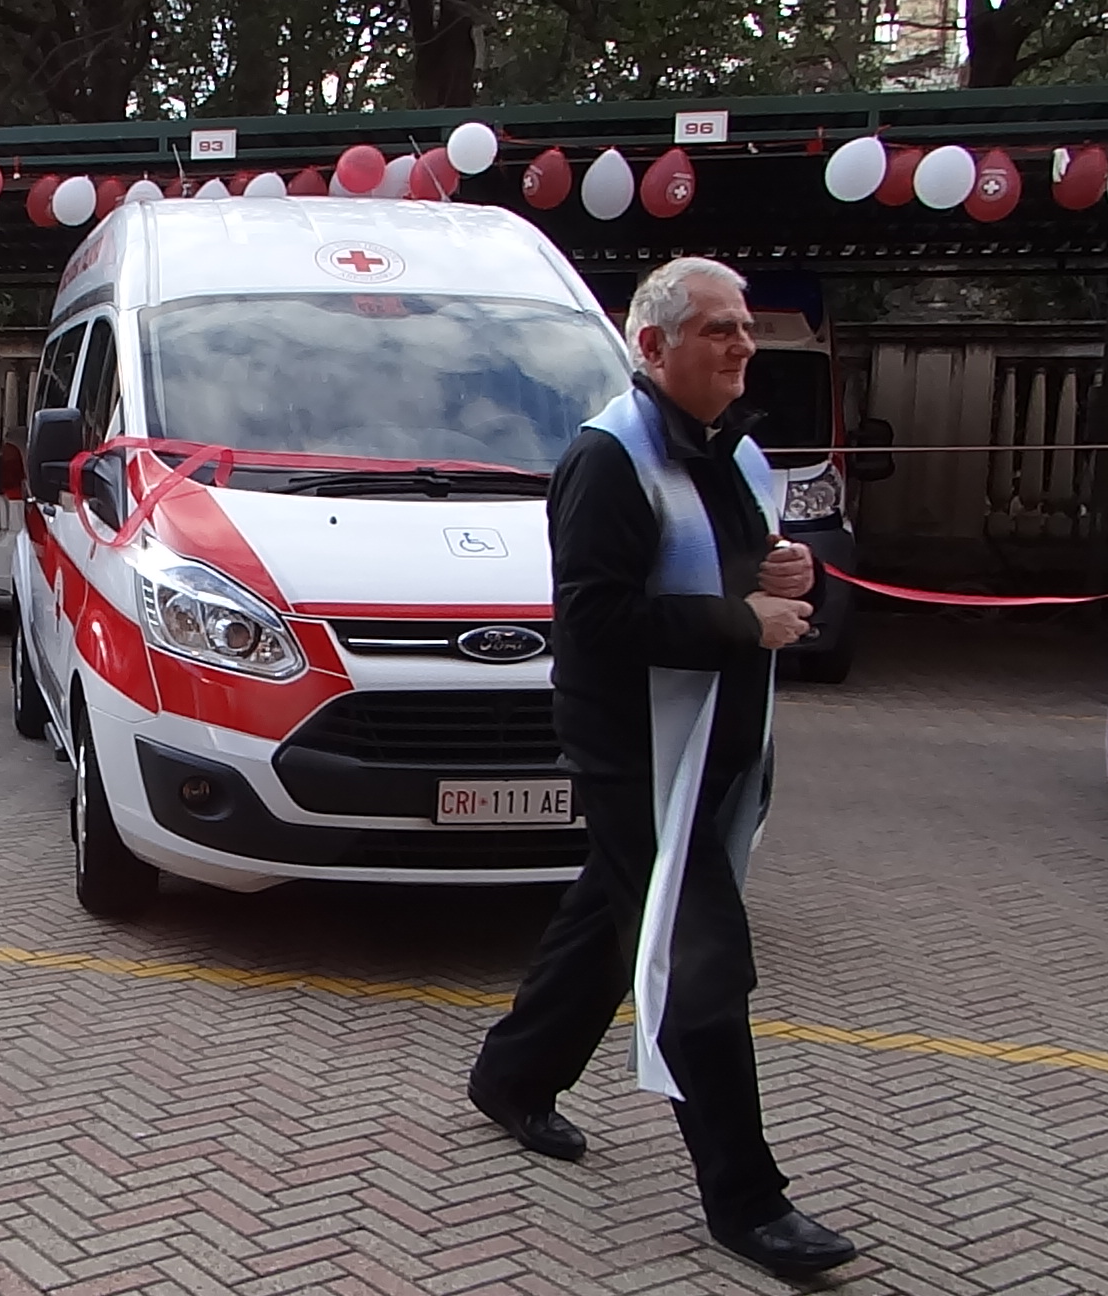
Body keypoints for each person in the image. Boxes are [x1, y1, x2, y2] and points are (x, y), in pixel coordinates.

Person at [465, 258, 856, 1279]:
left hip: (713, 738)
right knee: (701, 958)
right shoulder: (608, 459)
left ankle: (512, 1076)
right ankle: (748, 1201)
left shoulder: (736, 451)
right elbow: (591, 622)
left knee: (613, 913)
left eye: (743, 328)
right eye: (718, 329)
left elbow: (738, 562)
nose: (742, 344)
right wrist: (743, 618)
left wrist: (782, 571)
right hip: (635, 751)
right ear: (652, 346)